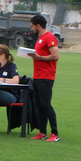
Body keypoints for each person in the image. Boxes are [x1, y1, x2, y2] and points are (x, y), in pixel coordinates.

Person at [27, 14, 60, 142]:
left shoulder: (50, 37)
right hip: (37, 75)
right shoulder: (40, 38)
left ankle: (55, 134)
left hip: (46, 76)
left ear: (38, 26)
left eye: (32, 26)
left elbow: (55, 56)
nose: (31, 29)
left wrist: (39, 58)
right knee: (38, 104)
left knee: (46, 105)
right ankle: (42, 132)